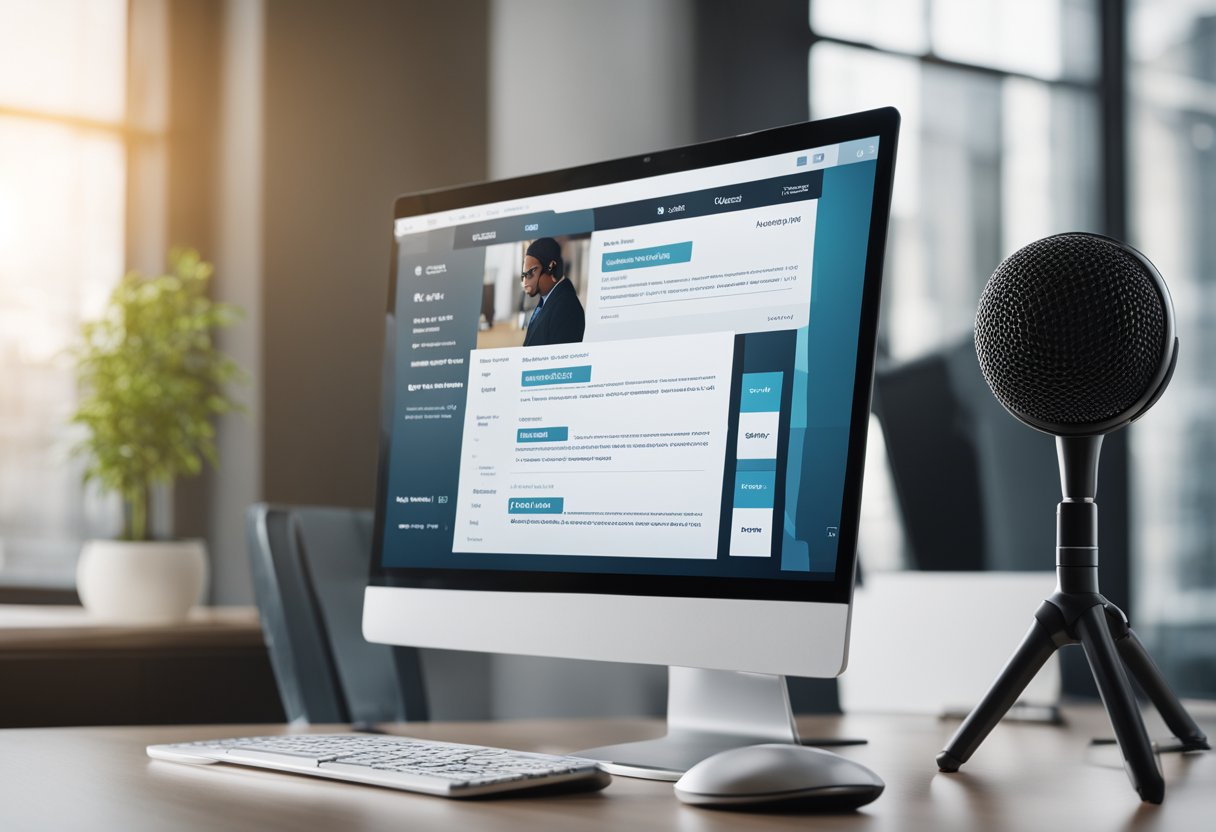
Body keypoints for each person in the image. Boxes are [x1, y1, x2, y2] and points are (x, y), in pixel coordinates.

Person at [520, 237, 584, 347]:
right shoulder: (547, 299)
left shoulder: (566, 307)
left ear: (551, 268)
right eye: (524, 275)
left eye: (531, 273)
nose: (526, 281)